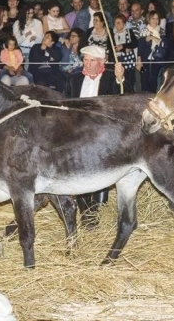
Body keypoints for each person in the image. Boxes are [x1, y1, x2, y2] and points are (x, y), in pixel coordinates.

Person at [65, 45, 124, 227]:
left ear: (100, 62)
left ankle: (97, 206)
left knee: (99, 169)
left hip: (102, 133)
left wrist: (120, 78)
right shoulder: (74, 79)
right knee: (79, 170)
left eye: (92, 61)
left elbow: (122, 99)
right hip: (78, 132)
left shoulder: (110, 78)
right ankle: (86, 210)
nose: (88, 64)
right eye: (85, 60)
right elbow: (65, 104)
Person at [138, 10, 167, 93]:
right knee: (144, 81)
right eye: (153, 19)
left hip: (157, 60)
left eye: (157, 19)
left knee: (154, 81)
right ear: (149, 19)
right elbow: (140, 46)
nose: (155, 21)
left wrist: (160, 41)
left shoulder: (161, 31)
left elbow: (165, 45)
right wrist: (148, 38)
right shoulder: (144, 31)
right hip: (145, 60)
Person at [13, 4, 43, 68]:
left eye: (31, 13)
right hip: (21, 50)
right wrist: (25, 35)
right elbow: (16, 41)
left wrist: (35, 38)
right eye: (27, 13)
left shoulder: (38, 22)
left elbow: (40, 39)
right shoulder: (17, 23)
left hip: (33, 51)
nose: (29, 16)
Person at [112, 13, 137, 93]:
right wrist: (123, 49)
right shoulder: (112, 34)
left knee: (129, 83)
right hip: (118, 61)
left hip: (128, 62)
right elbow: (111, 48)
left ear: (124, 23)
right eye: (115, 23)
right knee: (119, 82)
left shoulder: (129, 32)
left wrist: (123, 46)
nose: (117, 24)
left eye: (119, 22)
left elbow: (135, 43)